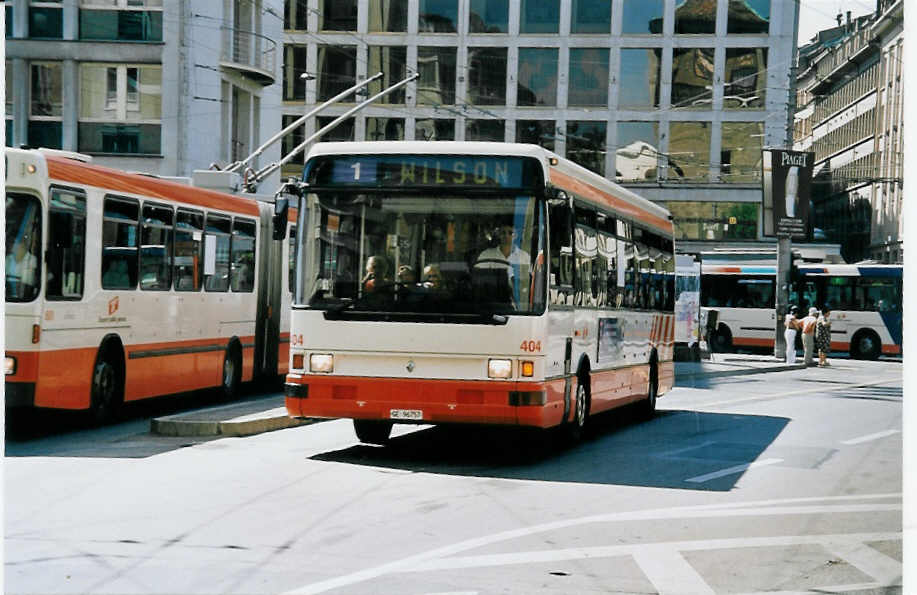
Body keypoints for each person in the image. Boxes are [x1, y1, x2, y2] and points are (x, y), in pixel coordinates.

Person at [476, 224, 531, 304]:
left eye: (510, 233)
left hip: (517, 306)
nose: (506, 236)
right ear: (498, 235)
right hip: (490, 303)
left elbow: (527, 284)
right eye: (503, 232)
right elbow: (478, 280)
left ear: (516, 235)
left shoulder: (525, 257)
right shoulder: (486, 255)